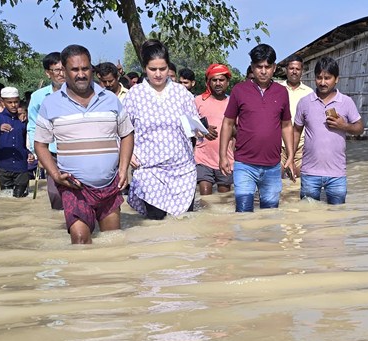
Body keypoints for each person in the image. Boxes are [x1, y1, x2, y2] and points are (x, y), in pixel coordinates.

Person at [33, 45, 133, 245]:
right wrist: (55, 175)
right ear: (65, 71)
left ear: (92, 70)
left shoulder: (111, 99)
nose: (81, 74)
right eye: (75, 69)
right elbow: (40, 144)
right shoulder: (50, 103)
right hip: (74, 187)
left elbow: (127, 134)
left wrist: (123, 169)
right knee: (79, 240)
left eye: (85, 69)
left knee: (113, 242)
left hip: (109, 185)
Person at [123, 39, 204, 220]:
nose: (158, 74)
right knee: (156, 222)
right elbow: (122, 130)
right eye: (153, 69)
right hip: (149, 169)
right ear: (145, 68)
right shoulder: (134, 95)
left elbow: (193, 126)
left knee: (184, 224)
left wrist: (200, 132)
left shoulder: (182, 93)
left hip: (182, 169)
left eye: (163, 69)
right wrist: (130, 155)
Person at [219, 44, 297, 213]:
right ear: (252, 67)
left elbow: (286, 125)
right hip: (244, 165)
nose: (263, 71)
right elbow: (228, 123)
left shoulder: (281, 92)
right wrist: (223, 155)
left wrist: (290, 156)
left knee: (270, 215)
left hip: (273, 166)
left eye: (267, 67)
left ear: (274, 68)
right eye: (259, 67)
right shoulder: (239, 90)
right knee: (243, 212)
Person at [292, 56, 363, 205]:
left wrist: (344, 126)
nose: (323, 82)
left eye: (327, 78)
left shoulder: (346, 102)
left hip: (337, 174)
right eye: (319, 78)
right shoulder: (305, 102)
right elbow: (296, 131)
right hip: (310, 172)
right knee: (308, 216)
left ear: (336, 79)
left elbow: (359, 128)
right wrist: (291, 159)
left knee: (337, 218)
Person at [27, 52, 65, 209]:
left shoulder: (79, 94)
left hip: (76, 152)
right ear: (48, 73)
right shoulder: (38, 97)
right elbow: (32, 126)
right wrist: (37, 154)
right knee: (56, 196)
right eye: (56, 70)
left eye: (64, 69)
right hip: (52, 154)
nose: (61, 74)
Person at [0, 86, 33, 197]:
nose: (14, 105)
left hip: (21, 166)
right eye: (10, 102)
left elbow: (26, 141)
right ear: (3, 102)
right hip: (3, 166)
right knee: (6, 200)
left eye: (16, 102)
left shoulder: (23, 119)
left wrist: (29, 153)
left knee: (20, 198)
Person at [194, 63, 234, 195]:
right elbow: (188, 127)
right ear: (208, 82)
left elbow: (240, 132)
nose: (218, 83)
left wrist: (228, 130)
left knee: (224, 198)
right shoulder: (198, 101)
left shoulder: (233, 103)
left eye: (221, 80)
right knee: (205, 196)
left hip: (226, 159)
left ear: (227, 82)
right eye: (214, 80)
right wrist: (203, 129)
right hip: (202, 158)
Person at [279, 54, 313, 176]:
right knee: (274, 180)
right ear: (286, 70)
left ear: (302, 71)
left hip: (301, 146)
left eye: (297, 69)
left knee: (301, 181)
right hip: (279, 144)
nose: (294, 72)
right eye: (291, 68)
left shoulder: (309, 93)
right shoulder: (277, 89)